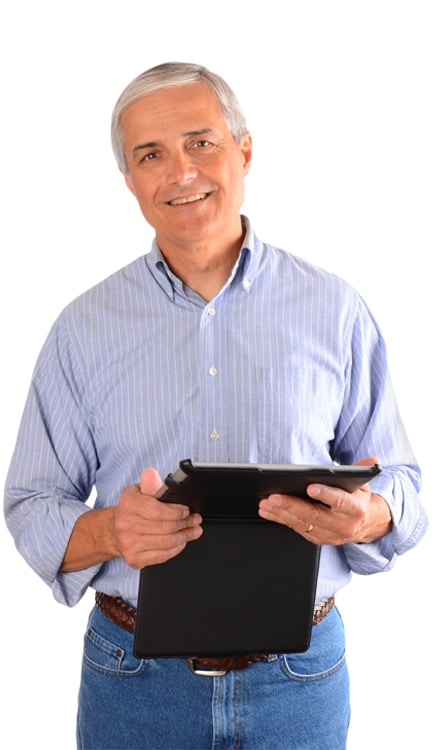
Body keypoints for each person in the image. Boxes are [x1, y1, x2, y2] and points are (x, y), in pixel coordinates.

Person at [4, 62, 428, 750]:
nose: (180, 172)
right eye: (151, 155)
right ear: (130, 181)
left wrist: (370, 514)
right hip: (132, 684)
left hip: (299, 683)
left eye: (201, 142)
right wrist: (113, 531)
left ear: (245, 151)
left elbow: (405, 488)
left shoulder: (336, 311)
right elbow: (29, 504)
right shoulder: (81, 330)